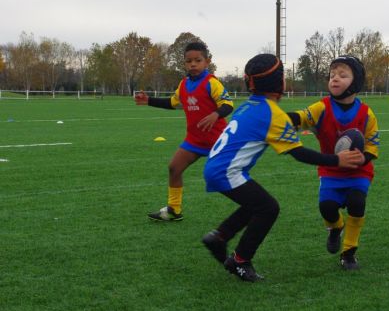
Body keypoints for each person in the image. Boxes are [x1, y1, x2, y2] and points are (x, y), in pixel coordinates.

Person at [201, 54, 364, 282]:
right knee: (268, 208)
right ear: (280, 83)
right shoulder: (272, 113)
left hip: (216, 165)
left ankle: (219, 237)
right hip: (227, 171)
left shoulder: (249, 105)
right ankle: (240, 260)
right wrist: (337, 161)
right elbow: (299, 153)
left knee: (255, 204)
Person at [287, 55, 380, 270]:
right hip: (330, 171)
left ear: (356, 82)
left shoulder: (367, 114)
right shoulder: (322, 107)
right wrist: (282, 118)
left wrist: (362, 158)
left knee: (357, 203)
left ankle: (349, 252)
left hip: (359, 172)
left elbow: (373, 145)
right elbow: (302, 117)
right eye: (332, 75)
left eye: (342, 75)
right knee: (327, 207)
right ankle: (336, 227)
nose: (334, 79)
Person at [134, 41, 233, 221]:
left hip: (218, 141)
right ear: (184, 63)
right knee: (174, 168)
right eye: (189, 61)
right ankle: (174, 210)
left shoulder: (212, 83)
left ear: (207, 61)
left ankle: (252, 205)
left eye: (198, 60)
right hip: (194, 140)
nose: (193, 64)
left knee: (224, 178)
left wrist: (215, 115)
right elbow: (172, 103)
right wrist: (148, 100)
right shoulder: (184, 84)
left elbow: (228, 104)